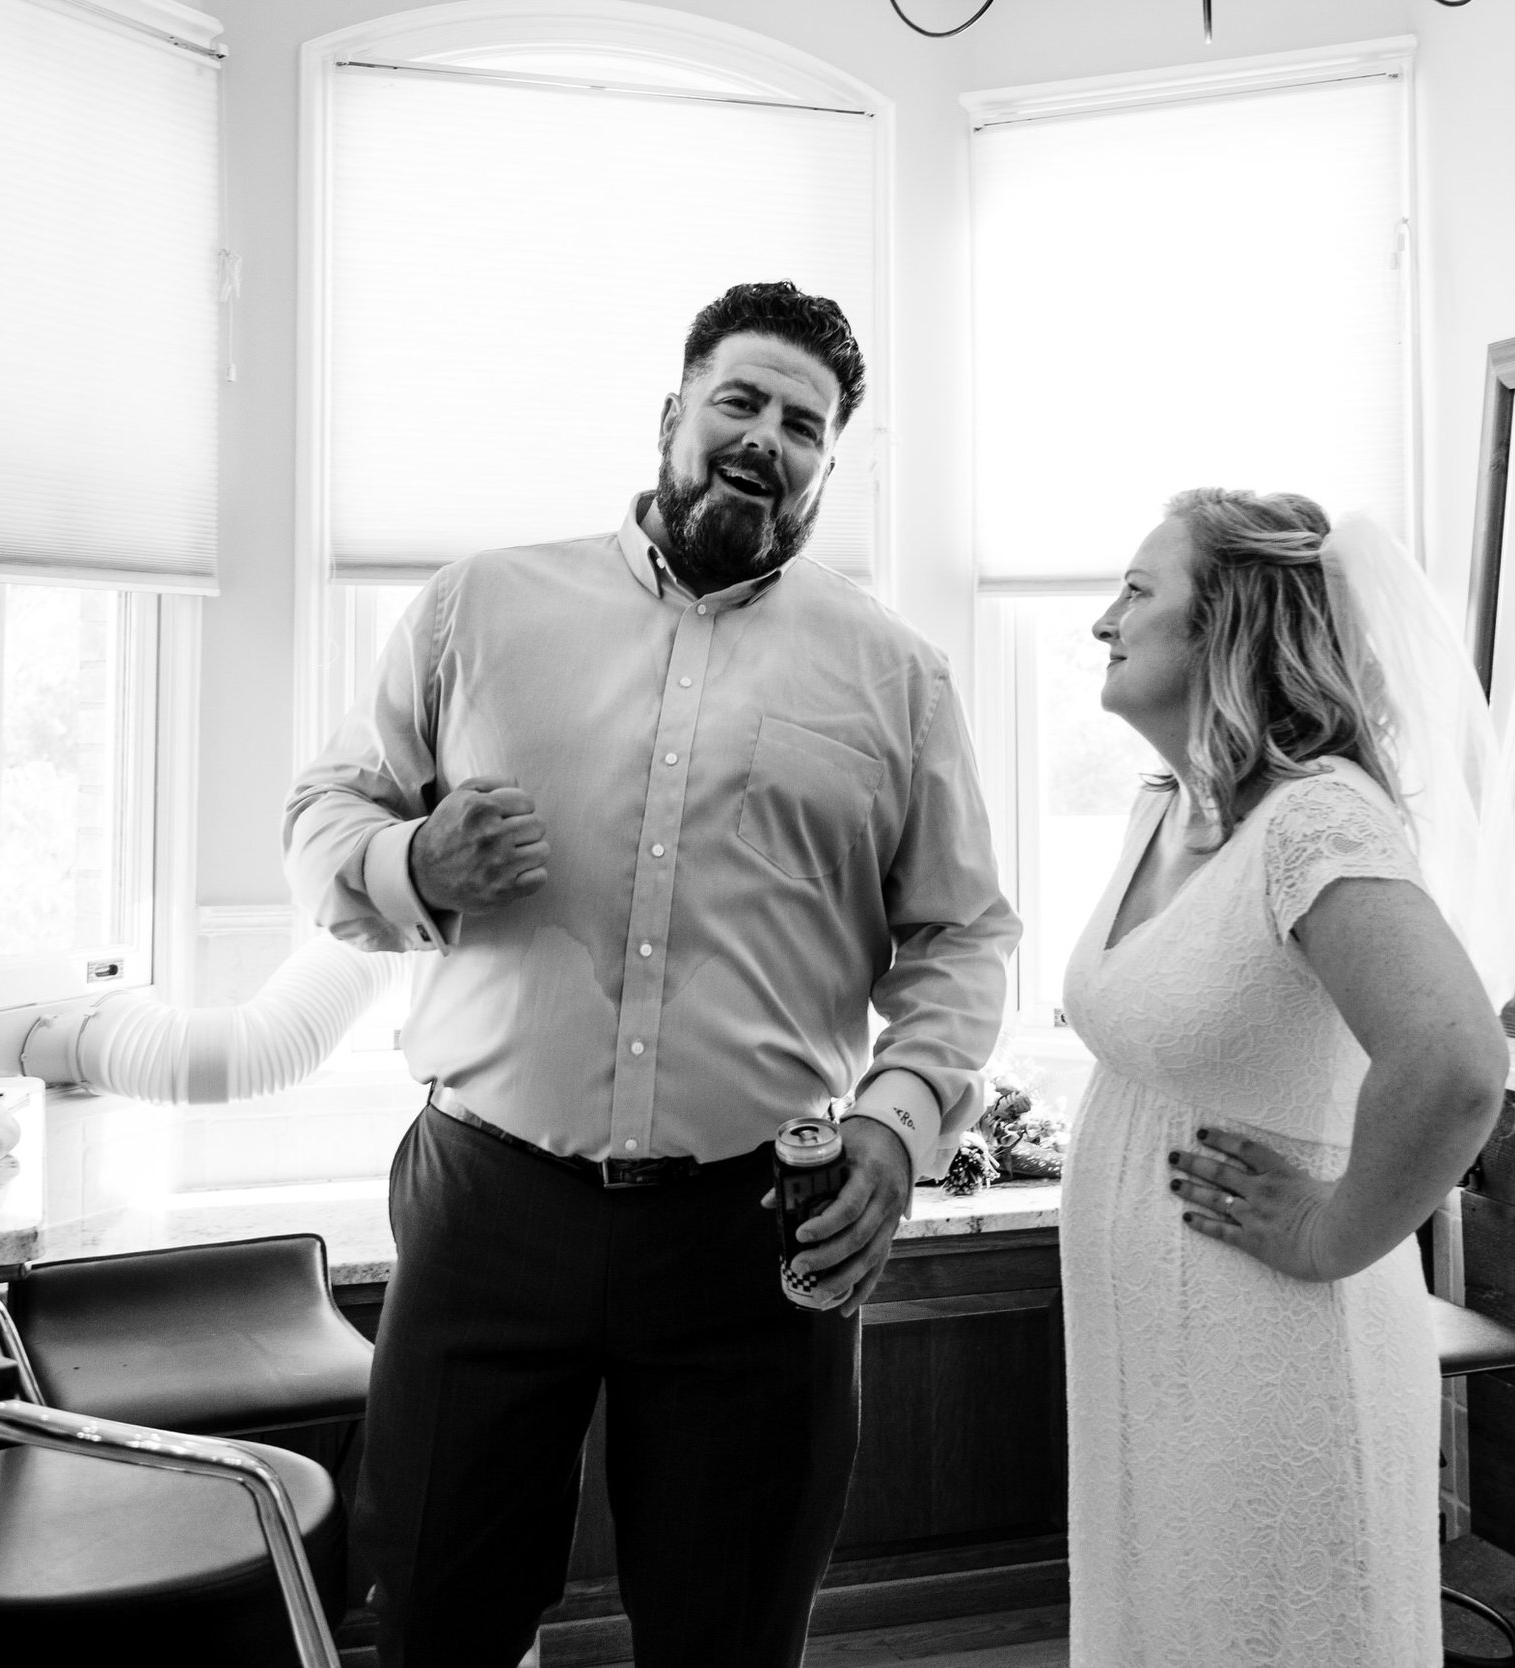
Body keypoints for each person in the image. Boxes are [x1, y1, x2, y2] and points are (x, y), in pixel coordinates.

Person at [282, 281, 1017, 1668]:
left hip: (755, 1236)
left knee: (729, 1634)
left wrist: (902, 1118)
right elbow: (326, 817)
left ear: (827, 467)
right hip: (488, 1202)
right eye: (739, 400)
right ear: (672, 413)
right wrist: (416, 865)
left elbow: (963, 936)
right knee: (437, 1609)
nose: (765, 438)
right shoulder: (479, 609)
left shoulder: (896, 677)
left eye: (804, 424)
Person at [1059, 488, 1511, 1664]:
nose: (1103, 622)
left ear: (1227, 628)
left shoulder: (1318, 823)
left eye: (1137, 592)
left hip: (1275, 1355)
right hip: (1146, 1361)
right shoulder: (1164, 812)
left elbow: (1454, 1062)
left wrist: (1328, 1235)